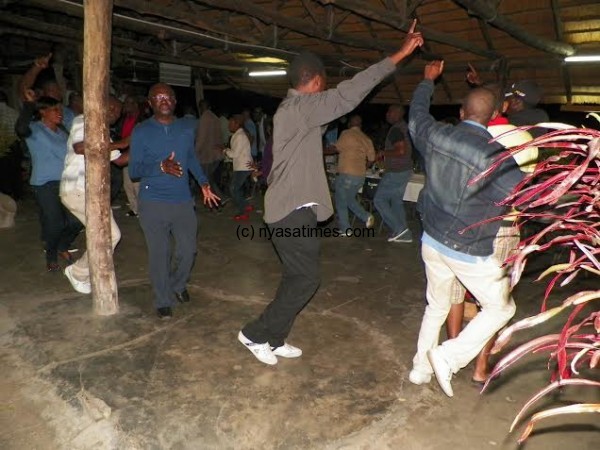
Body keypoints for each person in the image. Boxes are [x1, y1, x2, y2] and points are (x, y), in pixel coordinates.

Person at [237, 20, 424, 365]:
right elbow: (347, 94)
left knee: (298, 276)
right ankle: (254, 333)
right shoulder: (299, 108)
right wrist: (398, 55)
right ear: (317, 80)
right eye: (326, 84)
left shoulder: (297, 114)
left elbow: (337, 109)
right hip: (290, 210)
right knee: (306, 279)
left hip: (297, 209)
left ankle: (274, 339)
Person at [407, 60, 524, 397]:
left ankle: (420, 368)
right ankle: (448, 356)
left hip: (431, 240)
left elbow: (417, 115)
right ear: (491, 120)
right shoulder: (498, 159)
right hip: (467, 250)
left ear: (461, 113)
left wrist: (427, 81)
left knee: (437, 306)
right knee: (502, 307)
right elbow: (528, 197)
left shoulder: (437, 135)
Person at [129, 83, 219, 319]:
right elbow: (134, 170)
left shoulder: (186, 128)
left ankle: (178, 285)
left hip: (182, 202)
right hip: (153, 203)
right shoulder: (141, 131)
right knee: (160, 253)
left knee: (188, 251)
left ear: (175, 101)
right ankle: (162, 298)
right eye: (157, 97)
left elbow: (190, 157)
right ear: (150, 103)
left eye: (168, 96)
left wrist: (203, 183)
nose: (164, 100)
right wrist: (160, 166)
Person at [61, 96, 127, 293]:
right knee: (108, 235)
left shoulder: (105, 133)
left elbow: (121, 160)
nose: (115, 114)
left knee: (111, 235)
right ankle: (78, 272)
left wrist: (147, 149)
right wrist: (121, 143)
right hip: (78, 189)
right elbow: (81, 147)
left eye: (118, 112)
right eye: (113, 108)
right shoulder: (85, 120)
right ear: (102, 104)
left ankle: (84, 272)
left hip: (92, 193)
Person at [15, 95, 82, 272]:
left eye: (60, 109)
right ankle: (51, 255)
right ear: (43, 112)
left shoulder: (63, 133)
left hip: (67, 182)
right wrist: (29, 104)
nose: (59, 113)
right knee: (56, 223)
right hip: (44, 184)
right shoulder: (34, 130)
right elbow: (20, 128)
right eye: (54, 109)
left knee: (77, 220)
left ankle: (62, 245)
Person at [374, 104, 414, 243]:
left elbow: (400, 151)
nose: (387, 114)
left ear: (398, 113)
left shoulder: (396, 129)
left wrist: (383, 152)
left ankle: (400, 229)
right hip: (405, 169)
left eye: (390, 111)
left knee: (379, 200)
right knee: (396, 202)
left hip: (397, 171)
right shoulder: (404, 127)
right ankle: (403, 233)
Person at [334, 114, 376, 235]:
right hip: (360, 176)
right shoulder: (366, 139)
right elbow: (372, 158)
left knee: (341, 200)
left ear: (349, 124)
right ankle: (365, 217)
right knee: (349, 199)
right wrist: (363, 167)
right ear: (360, 125)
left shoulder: (346, 134)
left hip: (346, 174)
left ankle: (346, 228)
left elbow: (336, 149)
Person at [195, 99, 226, 203]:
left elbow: (201, 139)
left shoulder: (204, 118)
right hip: (216, 155)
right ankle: (219, 200)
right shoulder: (215, 118)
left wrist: (195, 152)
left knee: (207, 180)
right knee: (210, 179)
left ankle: (220, 199)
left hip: (207, 155)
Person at [224, 114, 253, 220]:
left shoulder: (240, 136)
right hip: (242, 166)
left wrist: (224, 150)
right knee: (236, 188)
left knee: (234, 189)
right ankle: (246, 206)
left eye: (230, 123)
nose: (228, 126)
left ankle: (243, 211)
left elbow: (234, 154)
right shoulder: (238, 135)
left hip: (243, 167)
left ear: (237, 124)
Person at [0, 90, 22, 199]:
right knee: (15, 171)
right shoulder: (14, 112)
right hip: (15, 145)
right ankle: (18, 195)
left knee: (3, 172)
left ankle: (5, 195)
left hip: (2, 147)